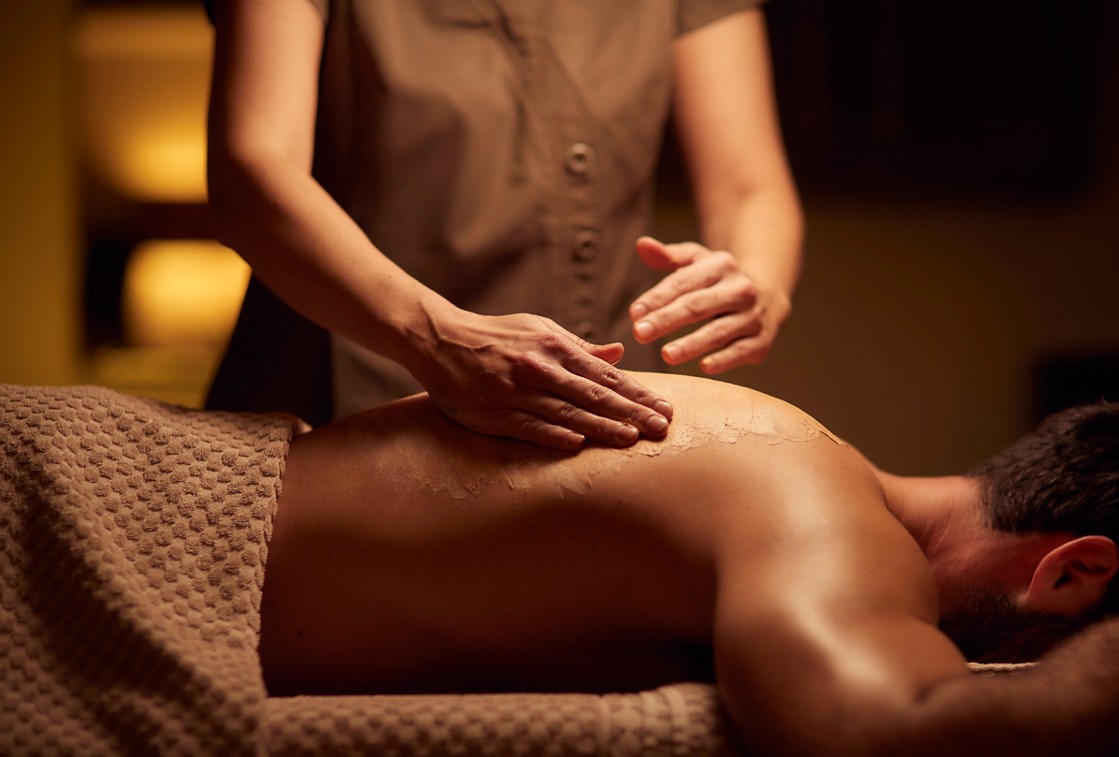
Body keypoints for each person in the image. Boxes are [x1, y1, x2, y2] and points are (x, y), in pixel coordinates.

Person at [258, 370, 1119, 757]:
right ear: (1071, 573)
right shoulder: (821, 512)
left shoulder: (789, 452)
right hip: (131, 524)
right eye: (1050, 650)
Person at [202, 0, 804, 451]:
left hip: (602, 414)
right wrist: (435, 337)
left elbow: (749, 185)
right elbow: (253, 170)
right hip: (345, 409)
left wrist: (757, 278)